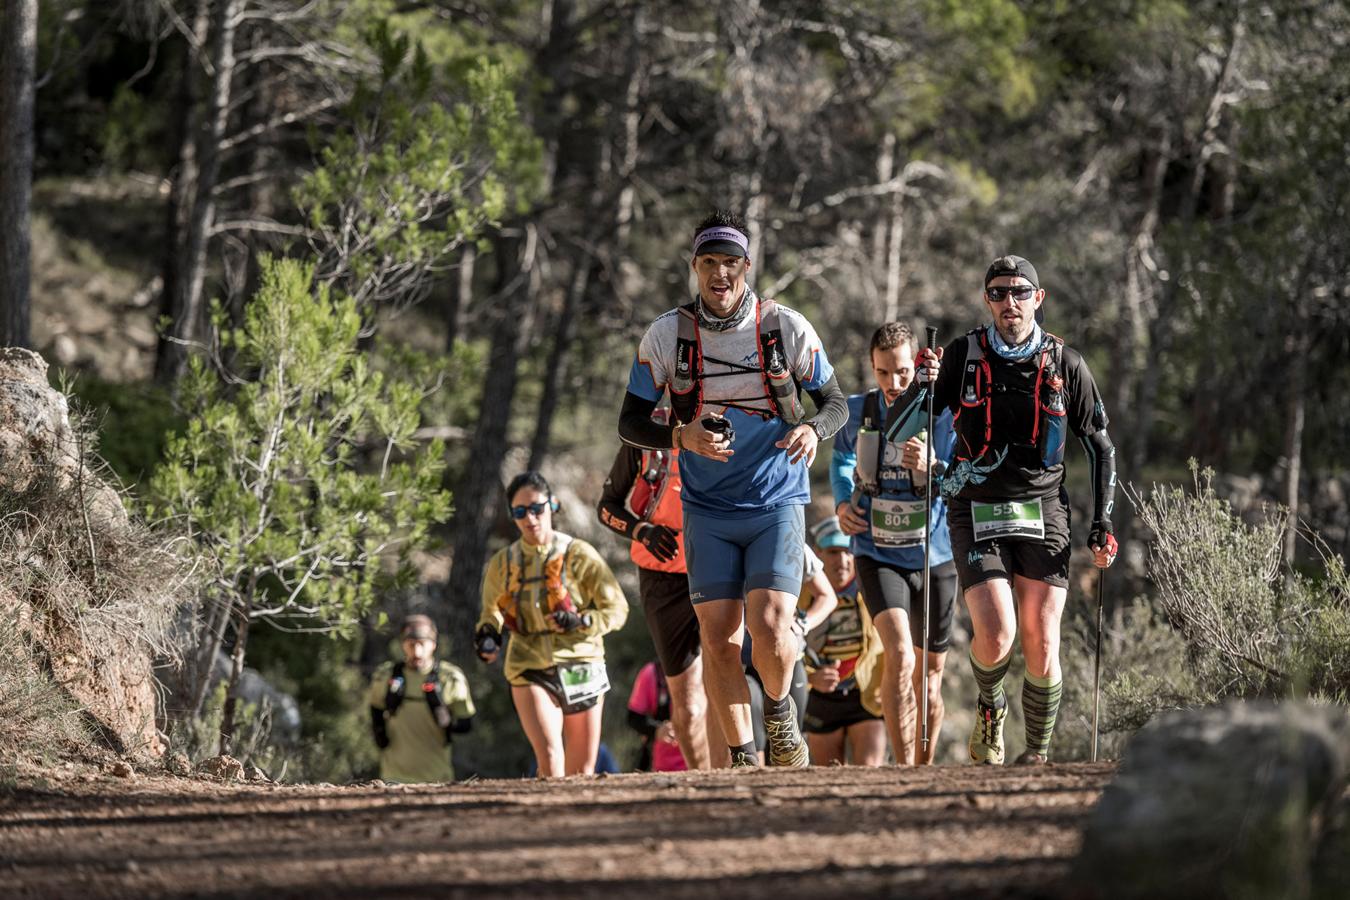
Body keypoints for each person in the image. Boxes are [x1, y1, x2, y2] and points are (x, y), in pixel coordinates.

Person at [618, 210, 849, 768]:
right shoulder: (667, 335)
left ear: (747, 266)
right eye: (708, 264)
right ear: (694, 267)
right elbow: (630, 422)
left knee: (770, 627)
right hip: (707, 509)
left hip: (775, 501)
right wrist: (681, 435)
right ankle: (744, 756)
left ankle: (776, 708)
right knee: (718, 636)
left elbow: (837, 403)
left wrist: (811, 430)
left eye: (730, 264)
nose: (719, 275)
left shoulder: (785, 328)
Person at [882, 255, 1118, 765]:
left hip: (1044, 509)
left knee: (1041, 639)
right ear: (985, 299)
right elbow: (898, 431)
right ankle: (991, 706)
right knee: (995, 633)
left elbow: (1100, 447)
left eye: (1018, 292)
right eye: (997, 293)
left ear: (1039, 298)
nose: (1008, 302)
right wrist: (922, 384)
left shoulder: (1067, 363)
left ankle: (1035, 753)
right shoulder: (962, 355)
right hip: (976, 507)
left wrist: (1103, 522)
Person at [831, 322, 958, 765]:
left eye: (902, 372)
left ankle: (924, 768)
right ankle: (902, 768)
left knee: (930, 677)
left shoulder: (940, 414)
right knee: (900, 656)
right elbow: (843, 455)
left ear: (917, 366)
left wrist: (934, 464)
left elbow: (963, 476)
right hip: (877, 552)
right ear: (872, 367)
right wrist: (841, 505)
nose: (893, 384)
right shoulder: (860, 410)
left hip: (936, 555)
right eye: (883, 373)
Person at [475, 471, 629, 777]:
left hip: (581, 662)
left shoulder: (580, 554)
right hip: (528, 664)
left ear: (552, 505)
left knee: (582, 769)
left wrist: (582, 620)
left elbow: (618, 609)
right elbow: (491, 611)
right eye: (520, 512)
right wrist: (488, 635)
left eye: (536, 509)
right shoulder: (502, 564)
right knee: (549, 757)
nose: (530, 519)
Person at [597, 420, 715, 769]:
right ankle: (704, 778)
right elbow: (607, 507)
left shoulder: (724, 422)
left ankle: (736, 773)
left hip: (717, 568)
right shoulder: (645, 435)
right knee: (690, 706)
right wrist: (641, 531)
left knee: (729, 683)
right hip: (662, 579)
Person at [800, 517, 886, 766]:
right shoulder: (800, 596)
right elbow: (785, 645)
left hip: (866, 694)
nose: (842, 560)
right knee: (827, 776)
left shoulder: (873, 590)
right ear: (817, 555)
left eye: (848, 552)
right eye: (834, 552)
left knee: (869, 771)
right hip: (819, 698)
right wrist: (809, 677)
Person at [368, 614, 475, 783]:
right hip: (393, 778)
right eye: (411, 644)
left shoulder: (450, 677)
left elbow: (466, 724)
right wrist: (379, 732)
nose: (416, 651)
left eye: (422, 644)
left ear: (433, 645)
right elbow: (375, 709)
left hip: (438, 778)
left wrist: (444, 719)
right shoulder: (385, 676)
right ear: (403, 645)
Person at [627, 660, 687, 772]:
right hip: (660, 766)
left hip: (705, 763)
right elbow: (634, 718)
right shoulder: (652, 673)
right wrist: (657, 730)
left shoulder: (709, 668)